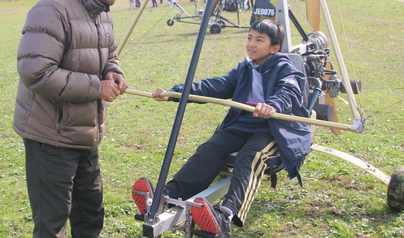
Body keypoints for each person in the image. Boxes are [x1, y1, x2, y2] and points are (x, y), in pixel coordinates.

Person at [132, 19, 311, 237]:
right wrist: (175, 93)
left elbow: (289, 92)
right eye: (249, 38)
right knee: (209, 149)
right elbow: (215, 86)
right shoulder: (244, 68)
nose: (251, 44)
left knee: (250, 156)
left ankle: (225, 215)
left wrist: (273, 105)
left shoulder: (286, 68)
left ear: (274, 48)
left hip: (273, 129)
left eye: (259, 40)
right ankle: (166, 196)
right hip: (242, 125)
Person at [13, 0, 128, 238]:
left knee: (90, 212)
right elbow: (36, 72)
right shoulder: (51, 10)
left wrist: (113, 73)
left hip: (85, 133)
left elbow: (109, 53)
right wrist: (96, 87)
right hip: (51, 136)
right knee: (52, 223)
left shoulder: (102, 12)